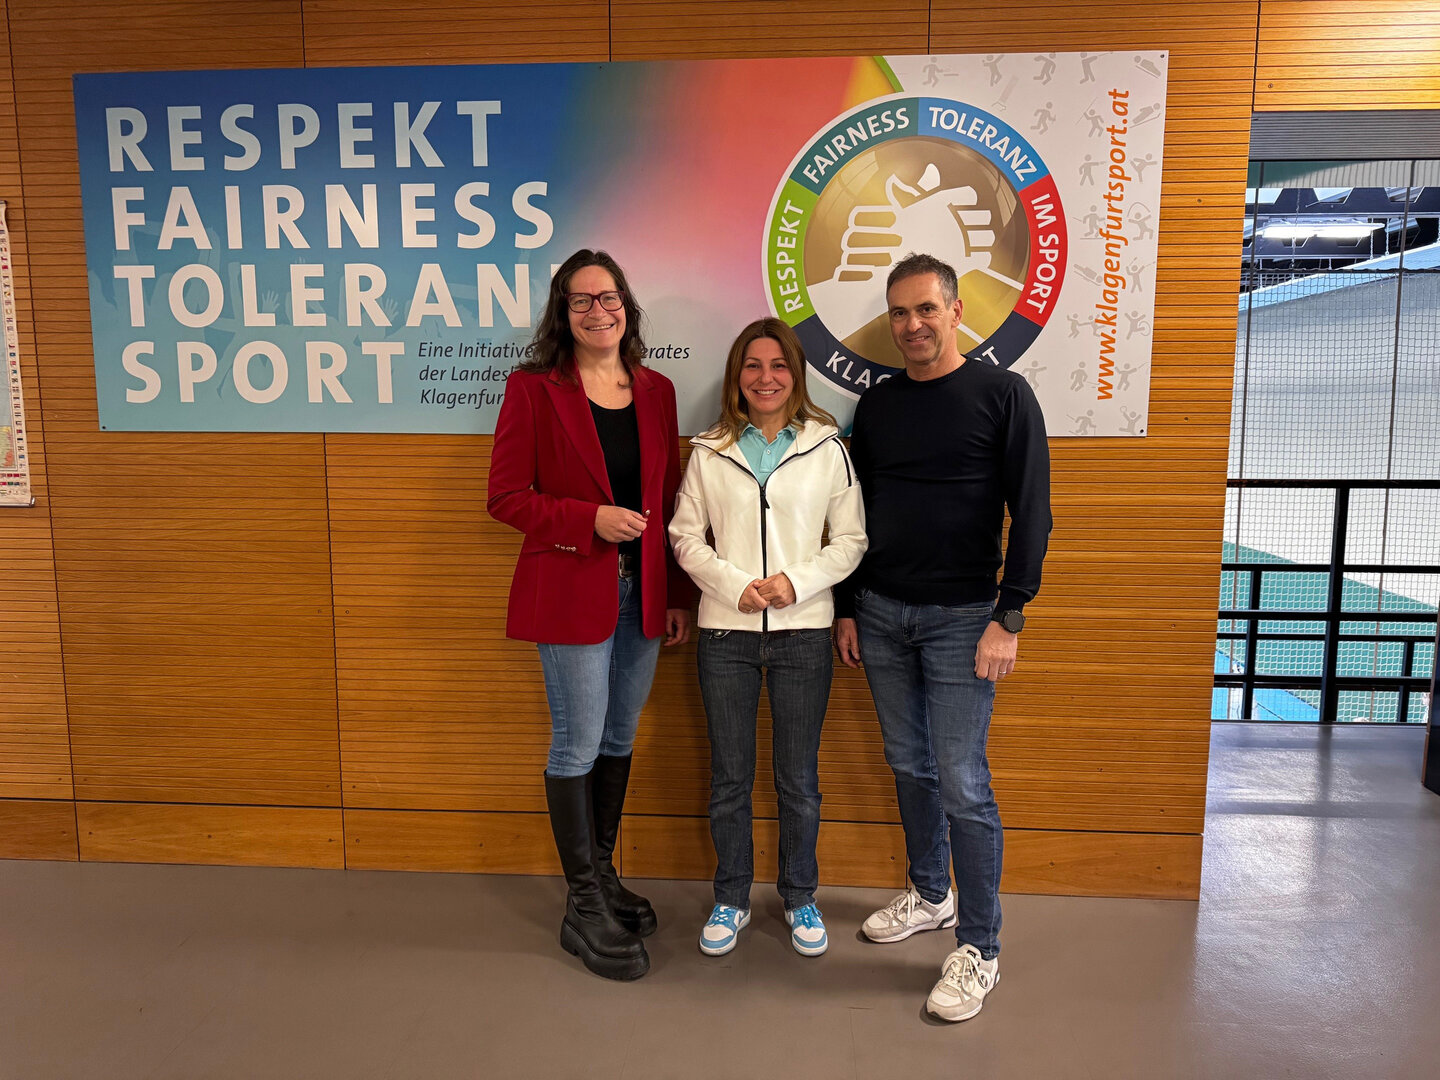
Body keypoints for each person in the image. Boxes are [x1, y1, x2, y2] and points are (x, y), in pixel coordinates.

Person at [834, 253, 1052, 1021]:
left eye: (926, 309)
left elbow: (1033, 512)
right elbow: (855, 515)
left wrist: (1010, 614)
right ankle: (931, 894)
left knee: (963, 779)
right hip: (883, 612)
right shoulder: (881, 404)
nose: (912, 325)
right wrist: (850, 607)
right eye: (900, 313)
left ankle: (981, 946)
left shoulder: (1004, 394)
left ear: (957, 311)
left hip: (967, 620)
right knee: (909, 763)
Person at [487, 249, 693, 981]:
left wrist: (676, 596)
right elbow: (506, 497)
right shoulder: (534, 391)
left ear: (626, 307)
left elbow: (670, 502)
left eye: (608, 298)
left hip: (644, 594)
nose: (597, 311)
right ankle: (581, 904)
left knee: (618, 733)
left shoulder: (658, 390)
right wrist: (587, 520)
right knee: (576, 744)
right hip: (571, 588)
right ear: (562, 314)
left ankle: (602, 875)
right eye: (580, 301)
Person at [669, 317, 867, 959]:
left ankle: (800, 896)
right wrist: (734, 585)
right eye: (753, 366)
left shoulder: (827, 446)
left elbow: (852, 541)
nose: (766, 378)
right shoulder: (709, 449)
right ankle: (731, 897)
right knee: (729, 777)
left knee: (797, 780)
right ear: (737, 376)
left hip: (802, 636)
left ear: (796, 374)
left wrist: (794, 583)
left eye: (778, 365)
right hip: (725, 635)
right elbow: (683, 536)